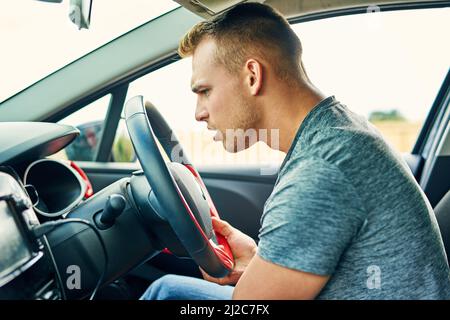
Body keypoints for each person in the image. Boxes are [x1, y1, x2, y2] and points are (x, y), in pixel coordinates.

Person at [141, 2, 450, 299]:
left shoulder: (320, 170)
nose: (199, 113)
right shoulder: (338, 133)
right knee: (166, 290)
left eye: (204, 91)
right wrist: (258, 260)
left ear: (252, 76)